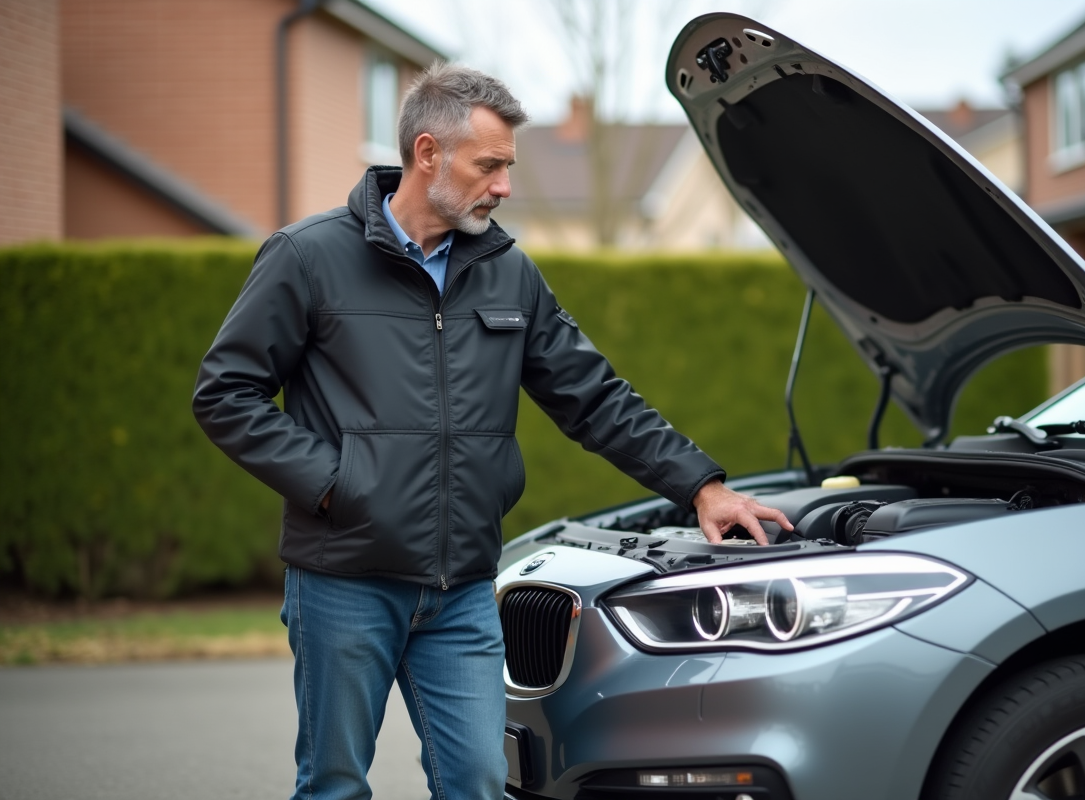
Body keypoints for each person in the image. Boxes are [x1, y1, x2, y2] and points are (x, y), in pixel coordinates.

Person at [193, 62, 792, 800]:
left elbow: (593, 397)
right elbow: (226, 393)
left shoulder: (508, 272)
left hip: (463, 589)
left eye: (507, 167)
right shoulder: (309, 257)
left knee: (477, 782)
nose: (504, 186)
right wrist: (334, 485)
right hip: (344, 580)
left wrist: (701, 485)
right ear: (427, 153)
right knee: (334, 785)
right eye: (490, 166)